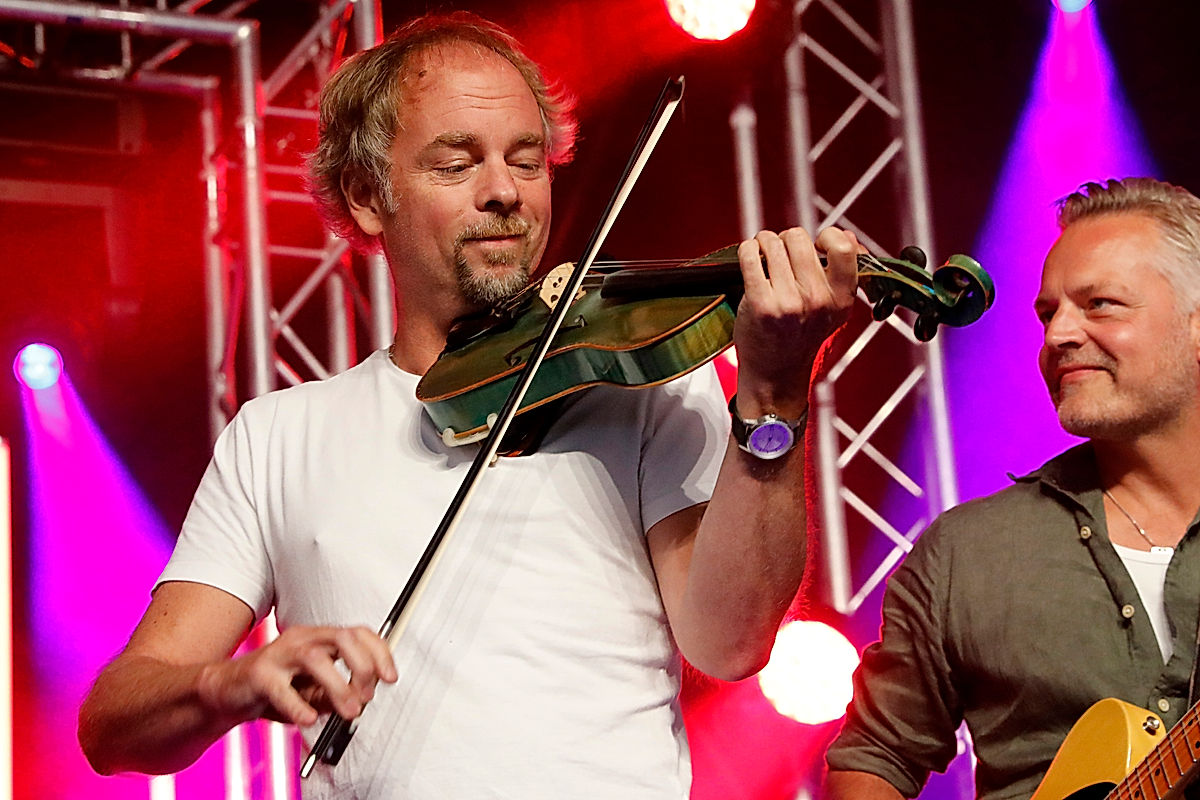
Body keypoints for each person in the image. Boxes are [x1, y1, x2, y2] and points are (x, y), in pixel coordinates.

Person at [77, 12, 861, 798]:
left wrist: (773, 394)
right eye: (456, 164)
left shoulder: (643, 386)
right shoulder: (277, 437)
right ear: (367, 198)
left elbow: (730, 643)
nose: (504, 192)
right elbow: (113, 726)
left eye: (527, 161)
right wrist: (231, 684)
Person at [824, 176, 1200, 799]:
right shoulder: (969, 553)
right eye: (1049, 313)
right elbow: (875, 756)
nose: (1058, 335)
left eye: (1101, 304)